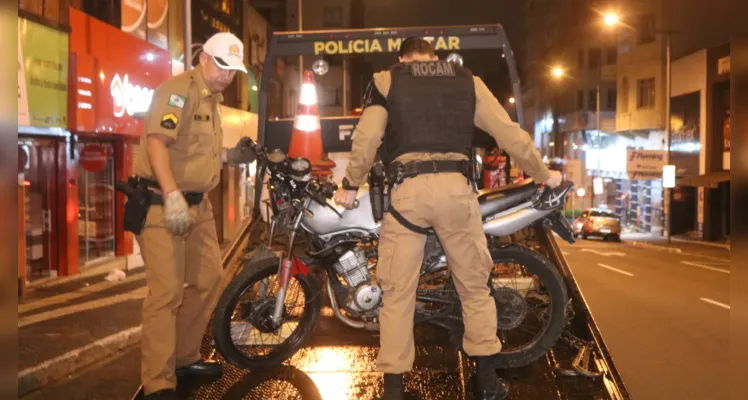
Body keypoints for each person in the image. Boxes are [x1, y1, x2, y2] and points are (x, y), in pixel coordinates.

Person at [333, 37, 562, 400]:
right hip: (457, 192)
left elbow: (368, 137)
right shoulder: (466, 79)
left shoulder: (388, 80)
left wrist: (350, 183)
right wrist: (542, 171)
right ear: (434, 58)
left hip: (407, 193)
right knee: (474, 287)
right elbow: (507, 132)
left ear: (402, 59)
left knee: (397, 294)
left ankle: (394, 389)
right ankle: (487, 381)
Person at [131, 32, 256, 400]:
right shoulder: (178, 90)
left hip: (199, 206)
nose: (226, 75)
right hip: (161, 202)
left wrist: (232, 158)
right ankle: (157, 383)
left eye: (233, 70)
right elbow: (157, 142)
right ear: (203, 58)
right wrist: (171, 195)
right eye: (221, 65)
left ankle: (184, 359)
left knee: (208, 278)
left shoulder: (212, 100)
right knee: (166, 292)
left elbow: (197, 154)